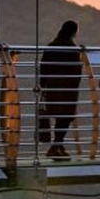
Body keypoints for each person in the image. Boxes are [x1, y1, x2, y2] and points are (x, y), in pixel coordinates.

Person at [38, 20, 82, 160]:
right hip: (68, 89)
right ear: (74, 32)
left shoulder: (51, 46)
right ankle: (55, 147)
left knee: (58, 116)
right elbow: (76, 71)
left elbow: (43, 66)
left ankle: (59, 146)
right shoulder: (72, 48)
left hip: (52, 87)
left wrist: (43, 84)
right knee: (65, 118)